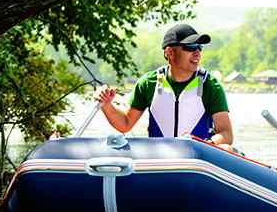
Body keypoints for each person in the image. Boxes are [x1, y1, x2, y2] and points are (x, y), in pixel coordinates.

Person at [94, 24, 233, 147]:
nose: (197, 53)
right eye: (190, 47)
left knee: (227, 149)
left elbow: (226, 134)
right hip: (161, 160)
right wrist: (106, 104)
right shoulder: (148, 83)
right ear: (169, 53)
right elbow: (125, 124)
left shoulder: (210, 85)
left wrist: (205, 144)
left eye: (199, 47)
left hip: (196, 162)